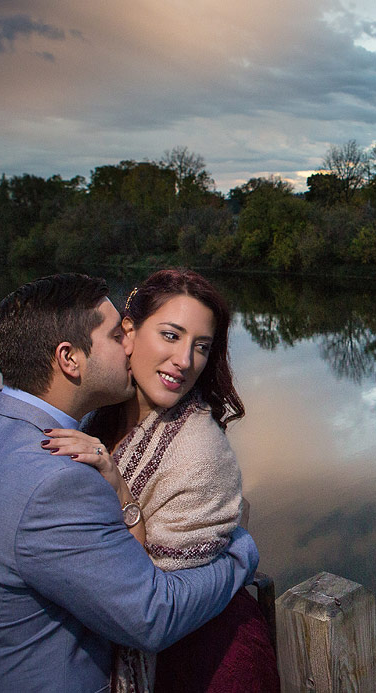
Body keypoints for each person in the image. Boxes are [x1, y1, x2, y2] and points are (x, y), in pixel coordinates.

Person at [0, 273, 258, 692]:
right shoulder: (57, 482)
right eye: (117, 336)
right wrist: (240, 554)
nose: (129, 344)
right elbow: (152, 615)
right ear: (69, 358)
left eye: (201, 346)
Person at [44, 269, 279, 693]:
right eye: (171, 335)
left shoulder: (199, 451)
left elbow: (147, 602)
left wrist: (120, 491)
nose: (185, 360)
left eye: (201, 346)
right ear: (128, 333)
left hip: (204, 664)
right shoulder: (103, 413)